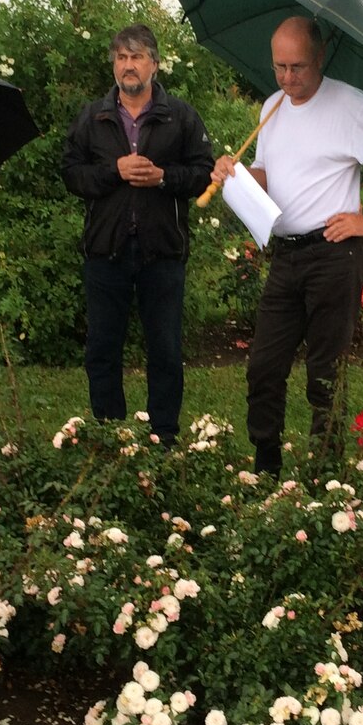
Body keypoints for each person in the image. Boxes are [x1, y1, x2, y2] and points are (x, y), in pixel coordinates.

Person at [209, 15, 363, 475]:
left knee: (324, 375)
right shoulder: (272, 106)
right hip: (286, 255)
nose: (288, 78)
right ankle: (266, 468)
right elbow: (269, 175)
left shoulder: (350, 106)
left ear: (320, 57)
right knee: (264, 368)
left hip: (334, 256)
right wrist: (234, 175)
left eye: (298, 67)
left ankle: (325, 477)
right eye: (279, 67)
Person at [61, 24, 214, 443]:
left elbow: (203, 174)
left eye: (137, 56)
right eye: (121, 57)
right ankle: (112, 436)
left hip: (161, 250)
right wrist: (115, 172)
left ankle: (163, 438)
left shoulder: (180, 116)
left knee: (165, 350)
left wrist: (163, 177)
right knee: (102, 350)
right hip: (105, 250)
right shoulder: (92, 116)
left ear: (155, 63)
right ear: (114, 64)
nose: (129, 66)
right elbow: (71, 174)